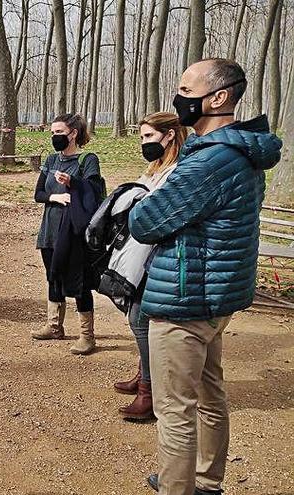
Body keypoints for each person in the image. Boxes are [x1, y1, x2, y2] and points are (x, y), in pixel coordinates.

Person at [129, 59, 282, 495]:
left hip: (185, 300)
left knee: (175, 408)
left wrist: (149, 201)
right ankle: (206, 481)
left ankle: (178, 488)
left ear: (217, 98)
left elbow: (145, 222)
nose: (178, 99)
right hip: (216, 297)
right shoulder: (243, 152)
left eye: (184, 88)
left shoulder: (210, 162)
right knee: (211, 395)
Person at [111, 112, 187, 420]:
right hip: (140, 253)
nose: (144, 143)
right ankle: (144, 374)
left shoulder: (178, 171)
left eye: (149, 137)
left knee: (139, 318)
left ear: (169, 136)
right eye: (142, 137)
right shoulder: (155, 168)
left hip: (159, 257)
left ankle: (149, 392)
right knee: (135, 314)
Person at [31, 113, 103, 355]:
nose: (55, 137)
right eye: (52, 133)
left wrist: (73, 182)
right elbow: (38, 193)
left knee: (79, 280)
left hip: (73, 231)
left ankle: (87, 336)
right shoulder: (51, 160)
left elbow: (94, 190)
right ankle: (54, 326)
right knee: (53, 276)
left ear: (73, 133)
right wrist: (55, 196)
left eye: (59, 132)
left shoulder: (87, 159)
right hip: (50, 229)